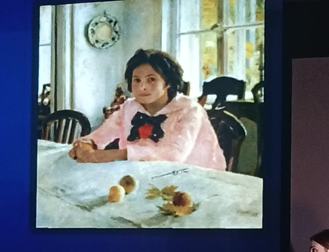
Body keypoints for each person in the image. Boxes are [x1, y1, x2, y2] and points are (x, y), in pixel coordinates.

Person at [68, 49, 226, 171]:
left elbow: (172, 155)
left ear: (168, 83)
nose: (142, 87)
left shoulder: (190, 109)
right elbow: (103, 133)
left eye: (151, 80)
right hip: (141, 173)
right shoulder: (130, 106)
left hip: (193, 177)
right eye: (136, 80)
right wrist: (87, 144)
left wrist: (118, 154)